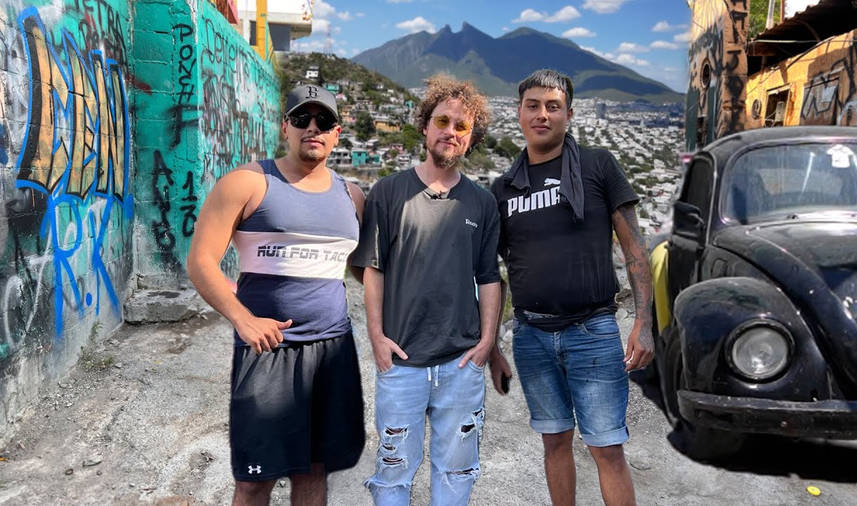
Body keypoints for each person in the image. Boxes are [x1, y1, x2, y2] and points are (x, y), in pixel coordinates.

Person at [186, 84, 366, 506]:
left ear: (337, 133)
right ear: (286, 127)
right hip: (268, 351)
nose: (313, 128)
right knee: (254, 481)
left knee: (314, 471)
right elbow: (200, 261)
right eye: (302, 119)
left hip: (333, 349)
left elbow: (366, 271)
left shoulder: (352, 196)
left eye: (324, 121)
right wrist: (243, 319)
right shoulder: (247, 183)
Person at [488, 69, 654, 506]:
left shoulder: (598, 165)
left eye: (553, 106)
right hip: (531, 336)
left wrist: (644, 322)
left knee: (607, 448)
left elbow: (635, 247)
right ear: (519, 113)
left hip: (592, 331)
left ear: (569, 115)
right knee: (554, 442)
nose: (542, 115)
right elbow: (495, 273)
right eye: (533, 106)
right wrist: (493, 346)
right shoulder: (503, 189)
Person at [351, 74, 501, 506]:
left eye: (462, 126)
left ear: (471, 139)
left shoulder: (482, 202)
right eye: (443, 121)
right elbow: (373, 270)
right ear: (424, 125)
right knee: (393, 472)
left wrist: (486, 342)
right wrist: (377, 338)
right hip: (402, 362)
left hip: (460, 364)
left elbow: (489, 276)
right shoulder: (388, 192)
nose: (450, 131)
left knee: (456, 472)